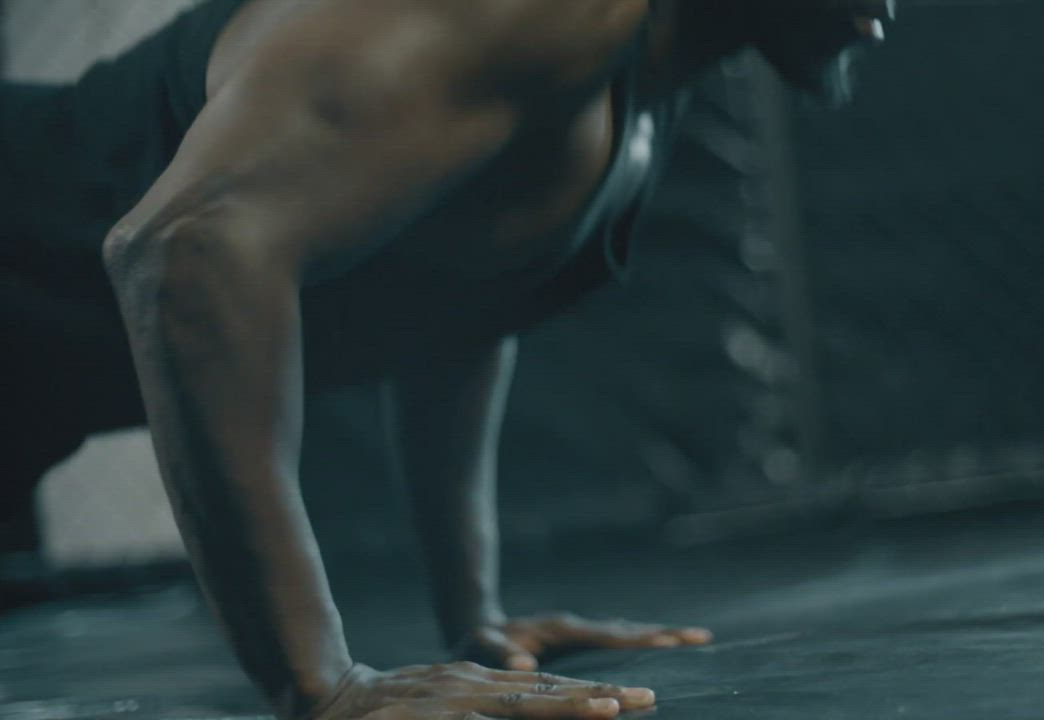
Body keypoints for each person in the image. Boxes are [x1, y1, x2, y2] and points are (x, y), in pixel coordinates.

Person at [0, 0, 894, 717]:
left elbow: (454, 295)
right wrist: (321, 684)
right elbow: (185, 246)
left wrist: (477, 623)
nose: (890, 7)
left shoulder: (641, 77)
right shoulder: (526, 14)